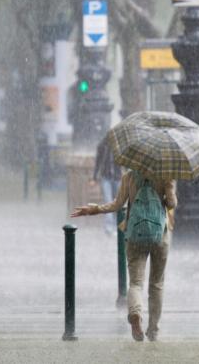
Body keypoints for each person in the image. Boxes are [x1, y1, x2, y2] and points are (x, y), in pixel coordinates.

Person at [71, 170, 177, 342]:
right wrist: (167, 192)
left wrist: (93, 210)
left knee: (135, 283)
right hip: (160, 235)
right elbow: (171, 204)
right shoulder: (165, 174)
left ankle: (135, 313)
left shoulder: (130, 176)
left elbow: (117, 204)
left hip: (135, 234)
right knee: (156, 284)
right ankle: (153, 331)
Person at [91, 137, 122, 236]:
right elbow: (98, 162)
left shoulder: (120, 146)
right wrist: (94, 177)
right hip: (106, 178)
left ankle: (117, 226)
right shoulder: (102, 145)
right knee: (108, 202)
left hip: (117, 178)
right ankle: (109, 228)